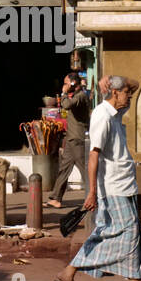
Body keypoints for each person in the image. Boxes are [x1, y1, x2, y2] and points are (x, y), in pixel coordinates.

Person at [54, 74, 141, 281]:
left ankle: (69, 274)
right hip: (113, 188)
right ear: (115, 93)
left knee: (119, 234)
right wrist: (92, 192)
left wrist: (109, 77)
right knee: (128, 233)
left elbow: (135, 83)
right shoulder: (102, 116)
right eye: (125, 93)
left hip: (125, 185)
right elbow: (93, 156)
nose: (129, 96)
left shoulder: (116, 112)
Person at [47, 72, 91, 208]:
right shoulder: (77, 95)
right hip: (71, 138)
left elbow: (66, 105)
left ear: (73, 83)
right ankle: (56, 198)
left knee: (85, 170)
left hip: (77, 139)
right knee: (64, 169)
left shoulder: (81, 96)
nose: (64, 86)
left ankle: (94, 195)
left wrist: (63, 93)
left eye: (66, 83)